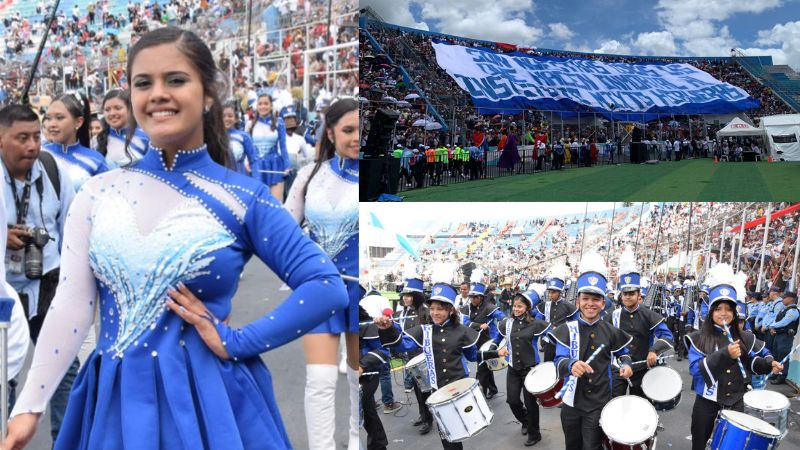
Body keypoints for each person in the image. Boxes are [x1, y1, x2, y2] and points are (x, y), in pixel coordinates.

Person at [2, 27, 349, 450]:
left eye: (176, 80)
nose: (158, 93)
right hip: (116, 406)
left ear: (207, 94)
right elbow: (73, 305)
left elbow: (327, 287)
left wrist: (239, 340)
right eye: (143, 83)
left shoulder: (243, 197)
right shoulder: (98, 192)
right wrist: (29, 405)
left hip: (210, 407)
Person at [284, 96, 359, 449]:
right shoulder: (310, 175)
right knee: (320, 380)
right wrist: (298, 272)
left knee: (360, 378)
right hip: (319, 290)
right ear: (330, 132)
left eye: (363, 129)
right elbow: (282, 231)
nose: (357, 136)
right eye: (348, 130)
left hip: (363, 294)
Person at [1, 103, 78, 446]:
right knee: (7, 374)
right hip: (4, 292)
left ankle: (67, 441)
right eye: (22, 138)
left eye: (36, 136)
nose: (33, 145)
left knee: (63, 368)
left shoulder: (55, 171)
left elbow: (74, 233)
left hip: (47, 282)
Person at [685, 264, 782, 450]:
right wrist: (724, 354)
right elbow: (695, 370)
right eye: (718, 309)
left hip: (737, 399)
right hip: (707, 400)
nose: (723, 313)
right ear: (711, 312)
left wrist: (770, 364)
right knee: (699, 444)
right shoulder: (698, 338)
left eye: (728, 309)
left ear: (734, 312)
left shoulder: (744, 336)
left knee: (734, 446)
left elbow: (752, 362)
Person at [375, 281, 480, 450]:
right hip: (438, 390)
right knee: (446, 435)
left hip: (459, 387)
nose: (435, 313)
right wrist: (388, 328)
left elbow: (473, 356)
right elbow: (402, 345)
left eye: (440, 309)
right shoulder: (425, 330)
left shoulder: (462, 330)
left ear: (450, 310)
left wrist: (494, 353)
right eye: (432, 309)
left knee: (458, 432)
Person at [549, 252, 634, 450]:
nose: (590, 303)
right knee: (572, 445)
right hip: (571, 400)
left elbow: (624, 352)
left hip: (599, 399)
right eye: (586, 298)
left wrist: (627, 364)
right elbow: (559, 358)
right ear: (577, 301)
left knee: (592, 446)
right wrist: (571, 365)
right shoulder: (566, 329)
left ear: (603, 303)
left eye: (596, 299)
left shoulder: (611, 331)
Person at [483, 286, 549, 446]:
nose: (516, 309)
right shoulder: (508, 322)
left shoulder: (536, 324)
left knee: (530, 403)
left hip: (530, 369)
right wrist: (493, 349)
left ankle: (535, 433)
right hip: (513, 367)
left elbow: (553, 336)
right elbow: (497, 338)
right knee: (512, 401)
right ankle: (526, 421)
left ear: (527, 308)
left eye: (520, 306)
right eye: (514, 306)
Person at [607, 252, 673, 398]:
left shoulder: (649, 315)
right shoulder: (613, 315)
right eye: (625, 294)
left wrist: (654, 350)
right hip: (618, 368)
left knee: (639, 406)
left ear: (639, 295)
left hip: (642, 367)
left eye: (632, 293)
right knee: (615, 404)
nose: (628, 296)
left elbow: (667, 336)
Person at [43, 92, 109, 192]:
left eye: (59, 117)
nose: (51, 124)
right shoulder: (37, 154)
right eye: (48, 118)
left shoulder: (96, 160)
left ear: (78, 122)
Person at [394, 277, 432, 433]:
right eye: (404, 295)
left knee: (425, 390)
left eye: (409, 295)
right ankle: (423, 415)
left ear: (416, 296)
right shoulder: (406, 311)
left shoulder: (425, 311)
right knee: (417, 389)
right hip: (411, 357)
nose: (405, 298)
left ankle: (428, 420)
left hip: (422, 357)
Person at [461, 281, 505, 399]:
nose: (473, 299)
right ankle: (493, 389)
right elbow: (465, 323)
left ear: (481, 297)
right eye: (471, 297)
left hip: (487, 341)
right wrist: (479, 325)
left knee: (482, 367)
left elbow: (500, 315)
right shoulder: (467, 308)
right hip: (474, 341)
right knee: (486, 365)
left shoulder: (488, 307)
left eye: (475, 297)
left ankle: (481, 393)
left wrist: (505, 319)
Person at [248, 93, 289, 200]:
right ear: (256, 106)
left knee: (276, 203)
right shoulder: (250, 124)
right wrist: (246, 163)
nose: (263, 106)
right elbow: (247, 148)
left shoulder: (279, 122)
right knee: (259, 203)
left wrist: (287, 166)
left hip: (275, 165)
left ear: (271, 106)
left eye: (266, 104)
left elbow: (283, 147)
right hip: (257, 166)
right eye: (260, 104)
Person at [359, 304, 389, 450]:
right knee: (368, 411)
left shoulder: (367, 324)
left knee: (362, 410)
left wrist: (362, 365)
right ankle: (379, 444)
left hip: (366, 375)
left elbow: (383, 351)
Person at [95, 89, 150, 168]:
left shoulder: (146, 135)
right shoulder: (99, 139)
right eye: (107, 110)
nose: (112, 113)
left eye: (118, 108)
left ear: (130, 109)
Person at [535, 263, 576, 361]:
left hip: (562, 341)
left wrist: (563, 329)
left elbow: (576, 323)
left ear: (560, 293)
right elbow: (537, 320)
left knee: (561, 364)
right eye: (550, 292)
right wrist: (549, 327)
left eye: (553, 292)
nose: (550, 294)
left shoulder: (568, 306)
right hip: (548, 340)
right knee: (548, 364)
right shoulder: (545, 305)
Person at [768, 290, 798, 384]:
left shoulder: (793, 311)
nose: (783, 299)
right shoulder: (784, 309)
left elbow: (784, 322)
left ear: (791, 299)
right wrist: (773, 328)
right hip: (779, 335)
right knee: (776, 355)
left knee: (783, 357)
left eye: (785, 298)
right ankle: (776, 373)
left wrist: (772, 326)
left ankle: (782, 376)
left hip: (786, 337)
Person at [222, 101, 255, 175]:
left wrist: (256, 181)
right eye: (223, 116)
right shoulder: (214, 137)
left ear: (236, 119)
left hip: (240, 179)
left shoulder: (244, 136)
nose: (226, 119)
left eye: (230, 116)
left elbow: (253, 161)